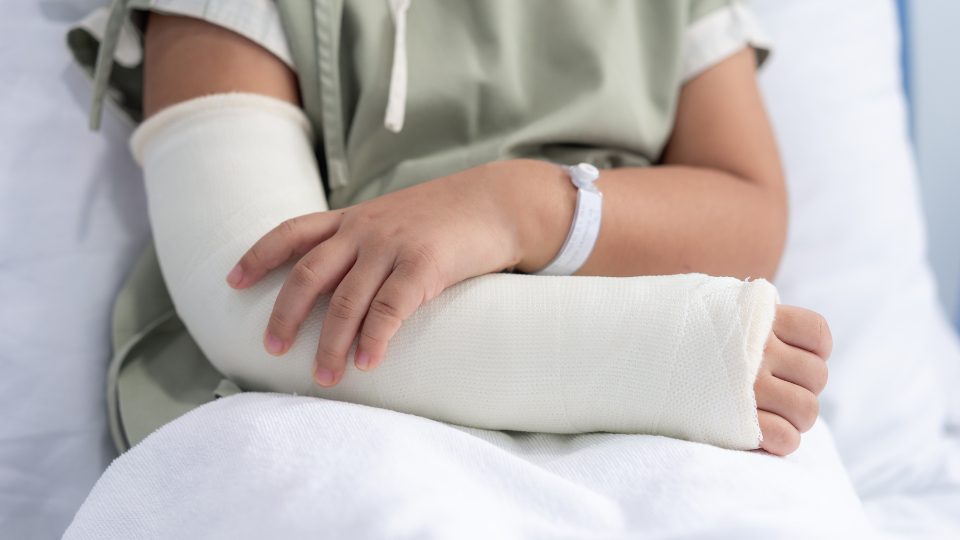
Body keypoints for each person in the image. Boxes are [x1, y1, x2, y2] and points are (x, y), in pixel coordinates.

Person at [77, 0, 829, 457]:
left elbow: (749, 215)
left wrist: (522, 206)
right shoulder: (699, 356)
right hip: (325, 405)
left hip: (676, 403)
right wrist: (677, 356)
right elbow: (251, 297)